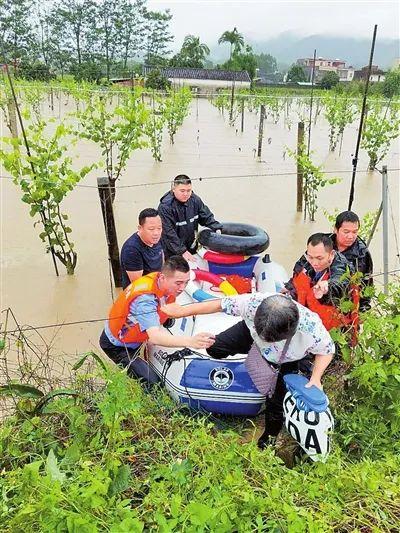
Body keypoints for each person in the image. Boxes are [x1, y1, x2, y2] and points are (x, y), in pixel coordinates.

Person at [161, 292, 334, 449]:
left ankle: (269, 439)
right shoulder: (252, 303)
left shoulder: (311, 327)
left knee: (275, 403)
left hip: (288, 358)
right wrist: (181, 312)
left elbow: (327, 350)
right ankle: (252, 353)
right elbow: (217, 304)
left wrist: (316, 377)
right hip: (250, 337)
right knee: (215, 348)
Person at [99, 256, 215, 383]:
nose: (182, 288)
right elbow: (155, 337)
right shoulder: (145, 300)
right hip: (118, 345)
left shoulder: (158, 281)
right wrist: (190, 341)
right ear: (163, 278)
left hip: (134, 336)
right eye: (178, 283)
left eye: (186, 283)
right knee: (153, 382)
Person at [283, 233, 354, 330]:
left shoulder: (341, 268)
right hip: (306, 321)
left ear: (331, 255)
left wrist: (327, 287)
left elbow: (340, 283)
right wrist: (289, 289)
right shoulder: (308, 259)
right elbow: (297, 279)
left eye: (319, 258)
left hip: (332, 331)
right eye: (311, 257)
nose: (314, 263)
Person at [158, 174, 223, 262]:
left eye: (189, 190)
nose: (186, 194)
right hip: (173, 250)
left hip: (191, 245)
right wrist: (182, 251)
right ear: (173, 189)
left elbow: (206, 216)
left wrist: (217, 228)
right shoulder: (165, 207)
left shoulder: (195, 200)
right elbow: (168, 232)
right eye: (182, 191)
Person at [330, 211, 373, 310]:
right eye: (346, 232)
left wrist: (364, 309)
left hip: (346, 304)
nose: (351, 236)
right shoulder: (323, 244)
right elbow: (303, 267)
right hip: (321, 297)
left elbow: (366, 283)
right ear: (336, 230)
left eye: (354, 232)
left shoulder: (362, 253)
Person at [120, 208, 164, 290]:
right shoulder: (131, 250)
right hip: (141, 292)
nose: (156, 233)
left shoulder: (157, 238)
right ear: (140, 228)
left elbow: (162, 257)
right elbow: (138, 284)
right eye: (151, 229)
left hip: (157, 281)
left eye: (159, 228)